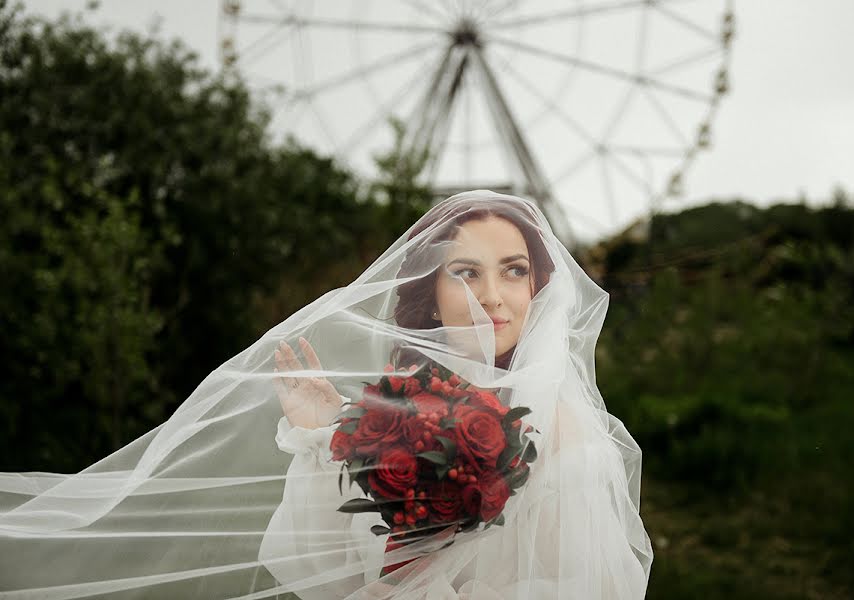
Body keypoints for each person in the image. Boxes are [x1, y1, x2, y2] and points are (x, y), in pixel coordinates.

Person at [0, 190, 652, 599]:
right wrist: (321, 442)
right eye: (465, 272)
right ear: (431, 293)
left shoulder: (562, 435)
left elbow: (579, 587)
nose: (492, 296)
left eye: (513, 271)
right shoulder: (395, 411)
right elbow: (328, 568)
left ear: (538, 286)